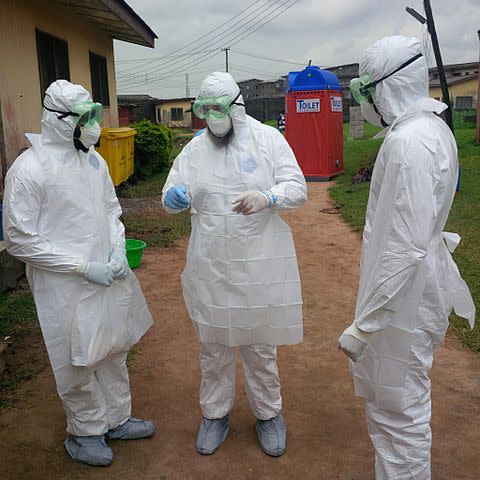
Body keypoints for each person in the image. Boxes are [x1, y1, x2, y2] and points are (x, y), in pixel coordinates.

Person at [338, 36, 475, 479]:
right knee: (401, 402)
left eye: (367, 90)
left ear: (385, 87)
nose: (366, 101)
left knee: (399, 410)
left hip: (403, 299)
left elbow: (404, 245)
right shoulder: (432, 128)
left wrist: (367, 322)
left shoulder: (408, 144)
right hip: (414, 288)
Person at [3, 80, 156, 467]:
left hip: (107, 275)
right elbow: (20, 240)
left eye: (94, 114)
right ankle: (86, 430)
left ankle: (117, 418)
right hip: (64, 285)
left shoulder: (93, 160)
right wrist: (81, 267)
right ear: (58, 120)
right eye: (85, 117)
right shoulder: (30, 169)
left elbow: (110, 210)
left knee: (112, 348)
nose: (94, 125)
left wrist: (118, 250)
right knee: (75, 358)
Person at [162, 72, 307, 457]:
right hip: (210, 262)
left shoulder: (268, 139)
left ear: (237, 106)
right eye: (204, 110)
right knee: (214, 345)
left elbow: (298, 186)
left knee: (259, 344)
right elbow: (170, 189)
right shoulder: (195, 149)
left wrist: (268, 197)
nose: (212, 117)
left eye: (218, 109)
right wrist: (172, 198)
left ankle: (269, 414)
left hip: (258, 261)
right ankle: (214, 414)